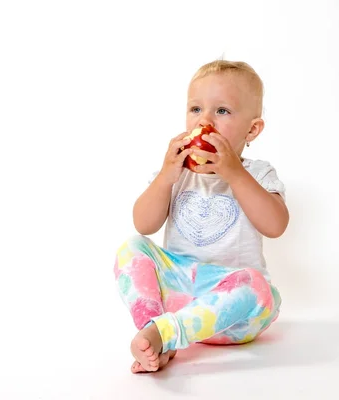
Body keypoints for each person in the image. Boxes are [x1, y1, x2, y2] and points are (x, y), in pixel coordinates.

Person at [113, 60, 289, 373]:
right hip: (181, 296)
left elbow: (276, 226)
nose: (204, 120)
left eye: (222, 111)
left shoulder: (257, 174)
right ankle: (154, 333)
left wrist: (235, 174)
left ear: (252, 129)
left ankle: (167, 333)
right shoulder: (177, 174)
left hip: (233, 312)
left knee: (259, 286)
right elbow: (144, 224)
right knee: (132, 247)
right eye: (195, 109)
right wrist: (167, 175)